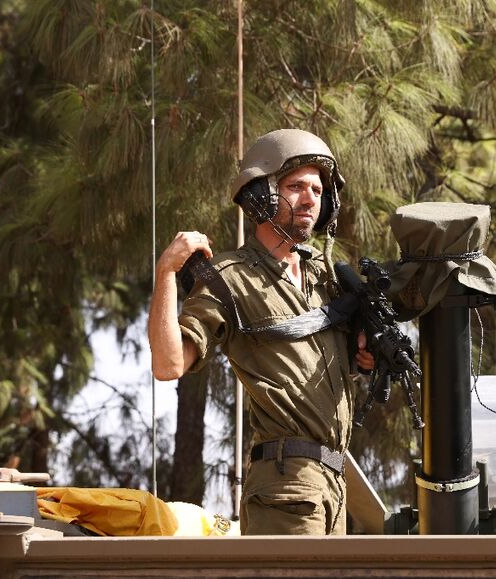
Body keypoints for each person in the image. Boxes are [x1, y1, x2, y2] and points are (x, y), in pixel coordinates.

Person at [148, 129, 373, 535]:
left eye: (319, 191)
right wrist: (166, 272)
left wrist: (367, 355)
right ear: (262, 195)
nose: (310, 200)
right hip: (287, 486)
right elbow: (168, 364)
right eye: (296, 187)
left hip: (336, 483)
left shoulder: (329, 280)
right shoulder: (231, 279)